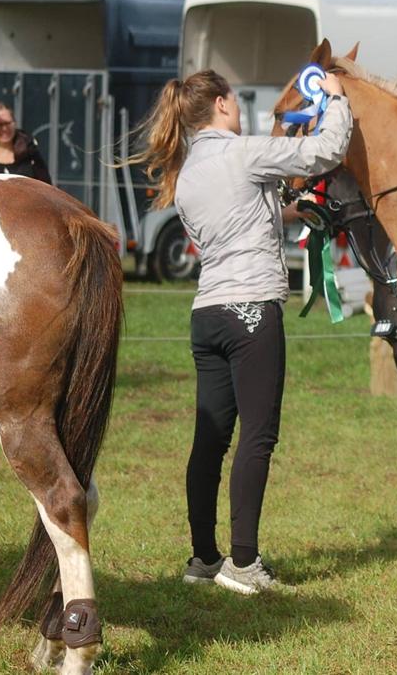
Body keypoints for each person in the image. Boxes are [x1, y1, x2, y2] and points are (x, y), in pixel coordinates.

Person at [130, 68, 353, 594]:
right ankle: (244, 564)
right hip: (252, 307)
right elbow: (326, 151)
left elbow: (237, 219)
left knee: (210, 438)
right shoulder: (244, 151)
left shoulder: (185, 174)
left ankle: (204, 558)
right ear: (223, 103)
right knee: (258, 434)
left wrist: (291, 210)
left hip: (207, 312)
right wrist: (338, 100)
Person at [0, 103, 53, 183]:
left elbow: (46, 184)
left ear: (15, 123)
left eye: (8, 123)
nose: (4, 129)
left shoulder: (29, 150)